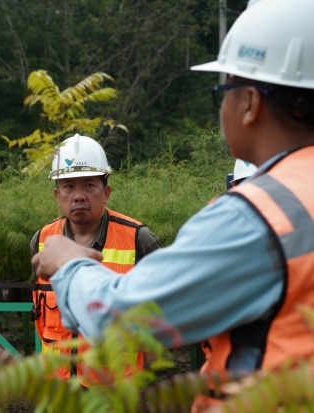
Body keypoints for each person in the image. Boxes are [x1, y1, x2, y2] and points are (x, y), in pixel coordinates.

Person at [31, 0, 314, 410]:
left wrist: (71, 263)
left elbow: (125, 320)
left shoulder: (256, 214)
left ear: (250, 102)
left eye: (225, 91)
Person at [30, 134, 161, 383]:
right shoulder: (41, 240)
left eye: (89, 185)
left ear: (106, 192)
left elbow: (162, 318)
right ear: (57, 196)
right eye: (68, 187)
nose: (78, 196)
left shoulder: (138, 239)